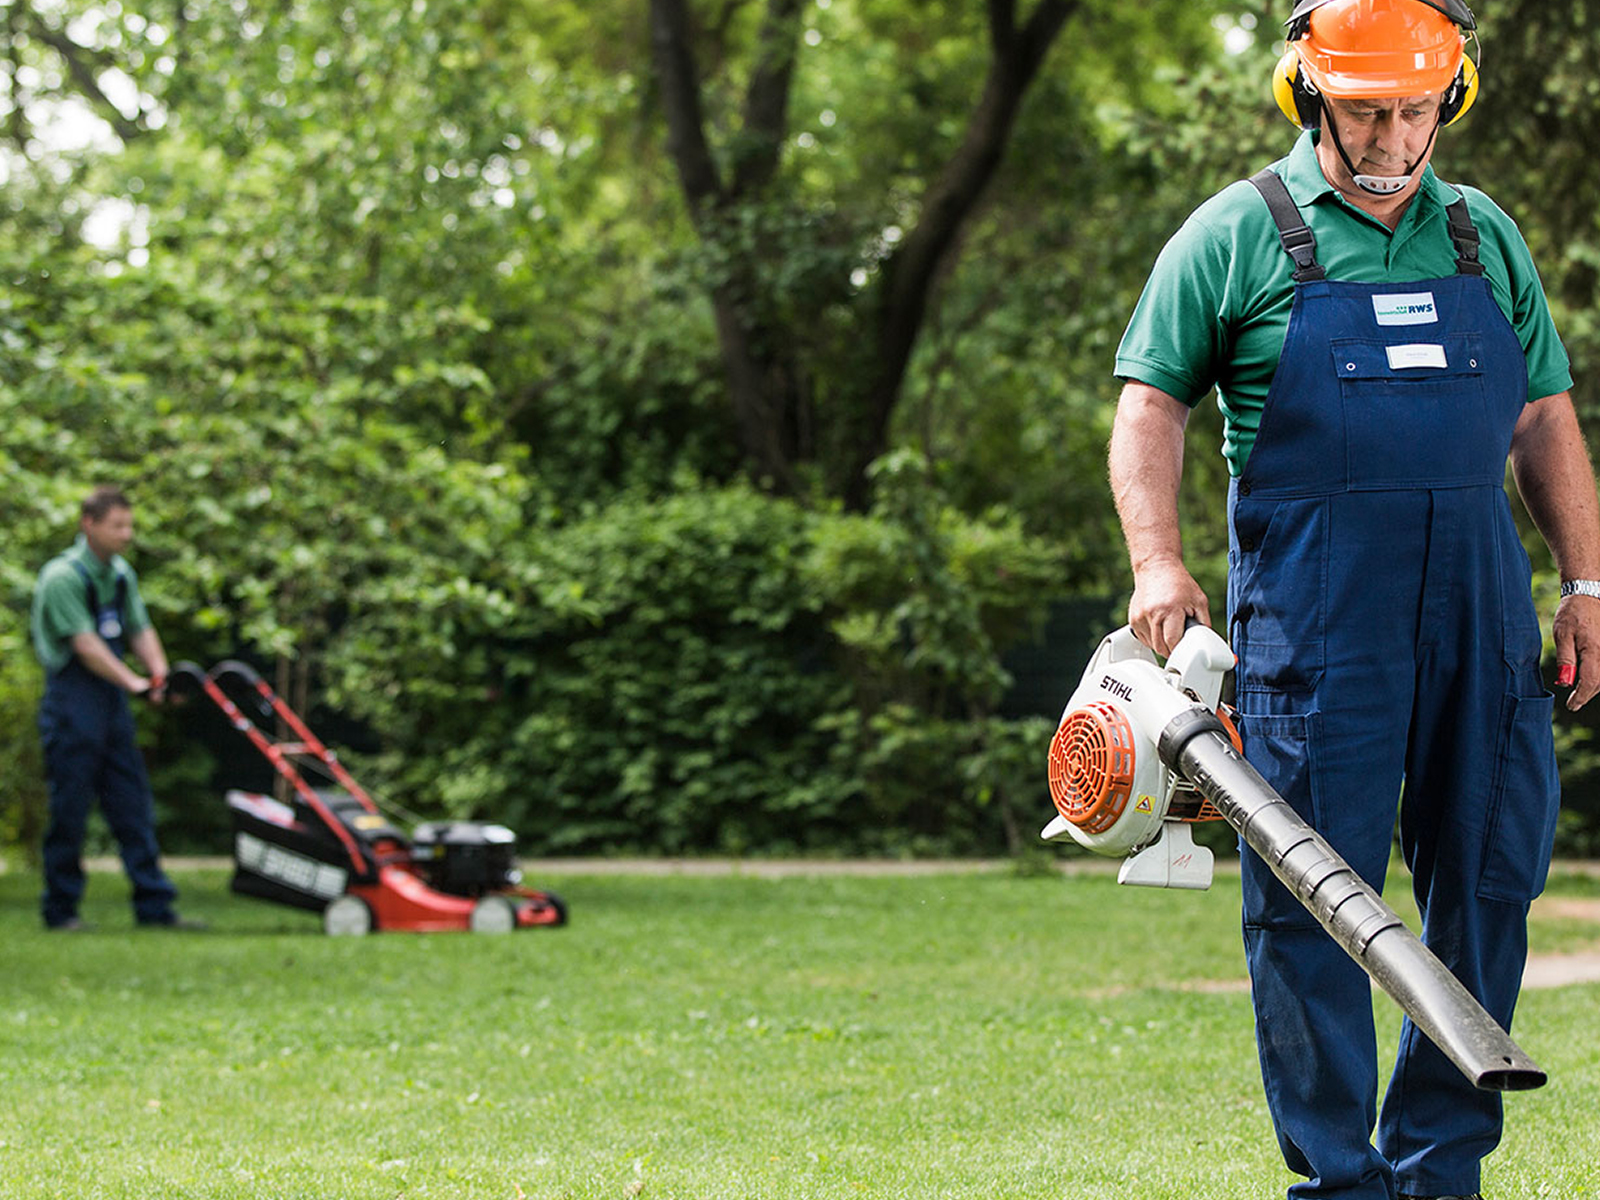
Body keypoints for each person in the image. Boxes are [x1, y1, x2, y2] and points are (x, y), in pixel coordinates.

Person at [1107, 1, 1600, 1197]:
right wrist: (1159, 562)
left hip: (1481, 628)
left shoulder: (1484, 237)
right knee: (1306, 911)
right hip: (1316, 633)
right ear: (1308, 95)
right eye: (1365, 107)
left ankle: (1440, 1168)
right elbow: (1149, 406)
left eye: (1414, 107)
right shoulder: (1235, 235)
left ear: (1453, 97)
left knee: (1487, 888)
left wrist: (1585, 581)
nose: (1391, 133)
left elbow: (1542, 419)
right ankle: (1337, 1180)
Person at [30, 485, 200, 931]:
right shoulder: (62, 576)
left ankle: (154, 907)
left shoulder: (121, 574)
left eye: (130, 524)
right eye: (117, 525)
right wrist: (136, 684)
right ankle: (61, 910)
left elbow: (139, 629)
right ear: (89, 524)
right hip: (72, 704)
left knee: (133, 804)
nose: (127, 534)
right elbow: (85, 646)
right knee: (70, 810)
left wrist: (161, 678)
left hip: (110, 705)